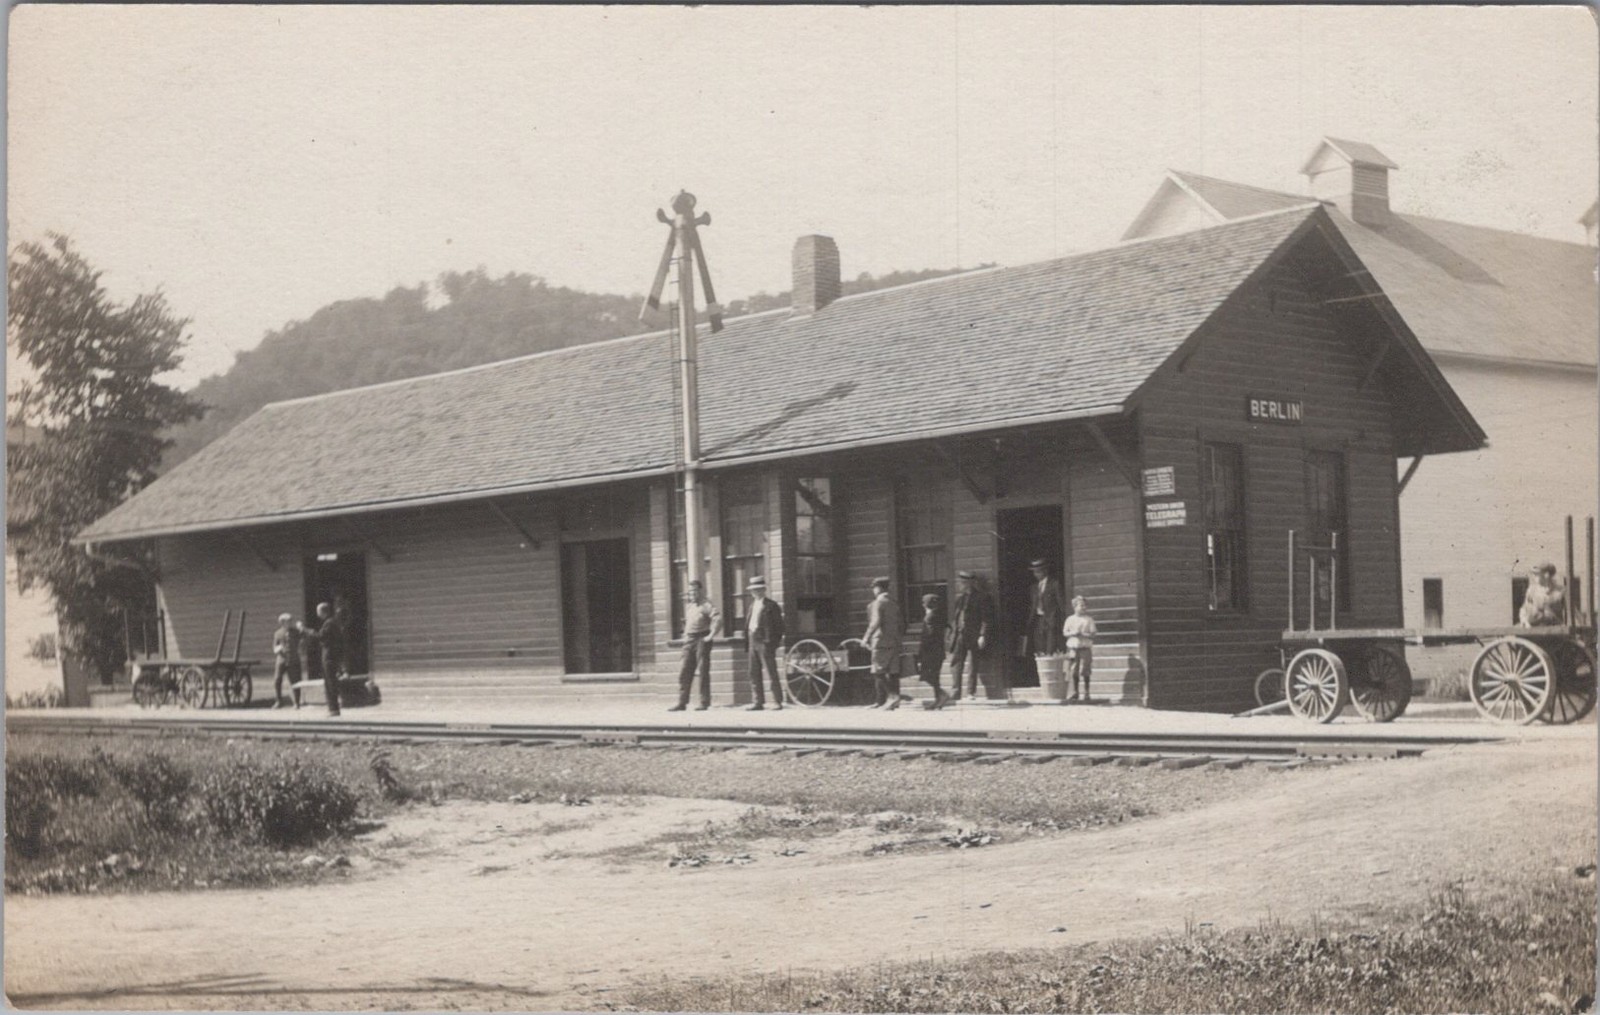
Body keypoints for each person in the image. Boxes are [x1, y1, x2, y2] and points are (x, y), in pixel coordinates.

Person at [671, 579, 721, 711]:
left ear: (700, 591)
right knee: (684, 671)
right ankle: (682, 702)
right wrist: (685, 636)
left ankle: (704, 702)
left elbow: (717, 619)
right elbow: (687, 623)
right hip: (689, 640)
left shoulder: (706, 605)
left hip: (702, 639)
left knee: (703, 670)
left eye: (694, 591)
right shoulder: (689, 606)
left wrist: (711, 635)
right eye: (690, 591)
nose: (692, 594)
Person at [946, 570, 993, 701]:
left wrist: (982, 635)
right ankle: (955, 692)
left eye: (962, 582)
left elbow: (986, 619)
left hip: (974, 635)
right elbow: (955, 618)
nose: (959, 585)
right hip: (959, 635)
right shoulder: (960, 599)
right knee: (956, 663)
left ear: (969, 583)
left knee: (973, 664)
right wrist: (951, 634)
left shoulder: (982, 598)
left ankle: (970, 692)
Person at [744, 576, 785, 710]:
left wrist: (772, 643)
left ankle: (777, 701)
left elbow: (779, 626)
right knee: (753, 672)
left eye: (757, 589)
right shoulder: (752, 605)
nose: (755, 592)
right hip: (752, 639)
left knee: (771, 671)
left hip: (765, 642)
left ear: (763, 590)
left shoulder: (771, 606)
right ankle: (757, 701)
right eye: (753, 590)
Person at [863, 576, 904, 709]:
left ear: (878, 588)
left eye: (874, 588)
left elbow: (875, 622)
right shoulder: (893, 602)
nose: (873, 591)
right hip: (894, 641)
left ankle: (892, 697)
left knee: (878, 671)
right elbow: (901, 623)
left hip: (880, 641)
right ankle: (890, 701)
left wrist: (866, 637)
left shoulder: (878, 603)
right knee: (893, 672)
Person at [311, 601, 346, 717]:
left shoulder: (329, 623)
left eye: (318, 611)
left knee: (330, 682)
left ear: (323, 611)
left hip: (329, 656)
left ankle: (334, 709)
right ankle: (333, 708)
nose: (317, 614)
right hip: (331, 655)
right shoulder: (332, 622)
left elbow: (320, 636)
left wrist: (305, 631)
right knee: (330, 682)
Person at [1027, 559, 1066, 658]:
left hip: (1051, 620)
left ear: (1045, 571)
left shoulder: (1054, 584)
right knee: (1040, 647)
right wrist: (1030, 622)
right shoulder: (1034, 587)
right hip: (1038, 620)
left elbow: (1061, 604)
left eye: (1038, 571)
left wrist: (1063, 621)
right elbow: (1033, 606)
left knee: (1051, 648)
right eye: (1035, 572)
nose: (1036, 574)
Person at [917, 593, 951, 710]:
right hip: (938, 651)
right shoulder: (940, 615)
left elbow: (928, 636)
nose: (922, 605)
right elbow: (948, 628)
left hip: (930, 652)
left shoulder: (930, 617)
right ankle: (938, 700)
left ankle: (942, 695)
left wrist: (921, 652)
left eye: (924, 603)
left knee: (927, 675)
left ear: (927, 604)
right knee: (934, 676)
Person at [1062, 595, 1097, 702]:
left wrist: (1083, 634)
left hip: (1085, 647)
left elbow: (1093, 633)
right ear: (1075, 607)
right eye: (1081, 605)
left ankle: (1087, 692)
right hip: (1073, 647)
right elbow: (1065, 632)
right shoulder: (1070, 619)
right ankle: (1075, 692)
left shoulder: (1089, 620)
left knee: (1085, 670)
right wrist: (1073, 633)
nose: (1083, 607)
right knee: (1074, 670)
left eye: (1085, 605)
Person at [1521, 563, 1569, 627]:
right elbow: (1525, 608)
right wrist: (1524, 620)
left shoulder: (1561, 591)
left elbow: (1572, 612)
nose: (1533, 577)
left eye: (1536, 574)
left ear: (1546, 575)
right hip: (1535, 630)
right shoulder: (1532, 590)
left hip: (1555, 631)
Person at [271, 613, 302, 709]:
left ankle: (296, 702)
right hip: (281, 660)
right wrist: (278, 649)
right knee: (277, 680)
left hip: (293, 659)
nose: (290, 623)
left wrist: (301, 628)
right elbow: (274, 647)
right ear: (282, 622)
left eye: (291, 621)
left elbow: (303, 638)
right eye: (288, 621)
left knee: (295, 681)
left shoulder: (296, 632)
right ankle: (279, 701)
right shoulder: (277, 633)